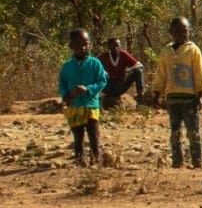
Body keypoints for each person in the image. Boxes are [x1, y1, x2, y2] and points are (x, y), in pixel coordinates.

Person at [152, 17, 202, 168]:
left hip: (189, 97)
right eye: (178, 32)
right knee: (175, 131)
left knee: (193, 130)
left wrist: (200, 93)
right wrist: (157, 92)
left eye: (185, 31)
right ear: (171, 32)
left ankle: (198, 160)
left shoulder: (193, 50)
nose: (182, 35)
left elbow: (199, 72)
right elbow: (161, 73)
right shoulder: (166, 52)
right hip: (172, 98)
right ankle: (178, 161)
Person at [59, 28, 108, 165]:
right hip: (74, 105)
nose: (83, 47)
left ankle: (95, 158)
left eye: (86, 44)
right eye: (79, 44)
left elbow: (102, 81)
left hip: (90, 104)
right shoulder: (67, 66)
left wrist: (88, 89)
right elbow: (62, 85)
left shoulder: (95, 63)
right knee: (78, 135)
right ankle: (80, 160)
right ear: (71, 46)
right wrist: (67, 95)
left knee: (93, 134)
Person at [99, 38, 145, 110]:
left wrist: (128, 70)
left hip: (120, 85)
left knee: (138, 71)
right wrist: (103, 72)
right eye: (113, 46)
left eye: (118, 46)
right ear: (109, 47)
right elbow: (94, 67)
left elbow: (139, 65)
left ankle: (140, 100)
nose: (116, 48)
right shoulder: (104, 56)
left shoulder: (123, 54)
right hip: (108, 86)